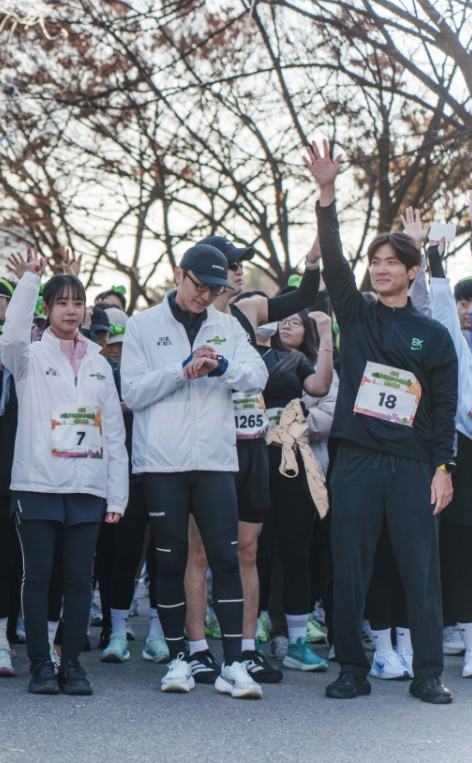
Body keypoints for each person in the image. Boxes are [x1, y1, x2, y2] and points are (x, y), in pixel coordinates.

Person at [303, 140, 457, 704]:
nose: (382, 270)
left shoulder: (434, 335)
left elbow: (442, 407)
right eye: (378, 263)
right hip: (358, 459)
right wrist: (326, 194)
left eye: (394, 263)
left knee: (420, 571)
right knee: (350, 567)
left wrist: (444, 466)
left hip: (414, 464)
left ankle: (428, 673)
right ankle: (350, 668)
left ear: (413, 271)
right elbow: (337, 262)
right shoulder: (358, 314)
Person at [120, 242, 269, 698]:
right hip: (162, 464)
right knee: (171, 562)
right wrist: (180, 371)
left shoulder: (227, 325)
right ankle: (182, 656)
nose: (205, 296)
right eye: (199, 286)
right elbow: (131, 392)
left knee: (226, 560)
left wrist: (221, 365)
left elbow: (258, 376)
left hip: (216, 463)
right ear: (179, 273)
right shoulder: (143, 324)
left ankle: (234, 665)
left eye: (214, 289)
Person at [180, 234, 322, 685]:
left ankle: (247, 647)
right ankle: (197, 647)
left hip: (253, 442)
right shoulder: (190, 319)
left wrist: (313, 258)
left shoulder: (254, 308)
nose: (239, 272)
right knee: (199, 552)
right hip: (208, 443)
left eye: (242, 265)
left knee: (248, 549)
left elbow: (303, 296)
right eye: (232, 265)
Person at [0, 250, 128, 695]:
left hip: (87, 488)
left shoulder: (99, 363)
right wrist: (30, 281)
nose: (70, 310)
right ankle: (39, 664)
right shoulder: (29, 356)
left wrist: (117, 497)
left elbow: (112, 431)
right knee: (37, 578)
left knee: (79, 581)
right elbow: (11, 337)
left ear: (86, 310)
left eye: (77, 303)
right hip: (38, 484)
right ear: (47, 309)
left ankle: (71, 663)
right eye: (61, 303)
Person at [426, 180, 472, 679]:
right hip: (470, 463)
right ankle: (470, 645)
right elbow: (446, 312)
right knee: (469, 558)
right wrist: (449, 252)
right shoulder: (467, 361)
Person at [260, 307, 335, 671]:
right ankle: (245, 641)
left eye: (295, 322)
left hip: (295, 468)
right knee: (250, 555)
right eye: (282, 320)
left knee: (296, 555)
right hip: (251, 464)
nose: (286, 326)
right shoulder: (249, 354)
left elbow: (321, 388)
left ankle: (297, 642)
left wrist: (326, 337)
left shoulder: (299, 363)